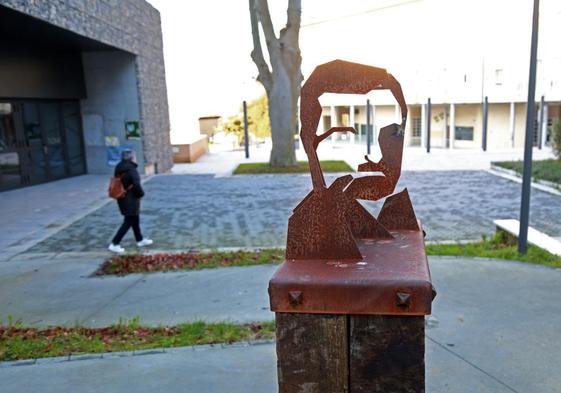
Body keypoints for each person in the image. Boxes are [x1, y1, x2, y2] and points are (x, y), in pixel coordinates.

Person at [108, 149, 153, 253]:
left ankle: (140, 239)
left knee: (134, 219)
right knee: (129, 221)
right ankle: (115, 243)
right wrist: (141, 194)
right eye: (135, 156)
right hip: (131, 199)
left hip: (122, 197)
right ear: (132, 158)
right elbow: (136, 185)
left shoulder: (119, 167)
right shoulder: (131, 169)